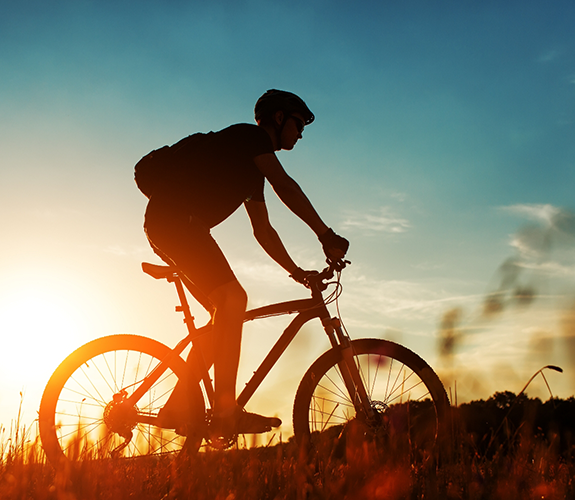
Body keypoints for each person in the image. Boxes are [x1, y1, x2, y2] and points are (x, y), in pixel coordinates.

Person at [143, 89, 349, 437]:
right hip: (177, 222)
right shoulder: (250, 137)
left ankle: (177, 407)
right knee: (233, 299)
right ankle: (226, 411)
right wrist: (324, 234)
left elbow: (263, 230)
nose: (301, 133)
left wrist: (297, 272)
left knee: (222, 314)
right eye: (298, 124)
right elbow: (285, 185)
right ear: (280, 118)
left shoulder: (252, 170)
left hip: (177, 224)